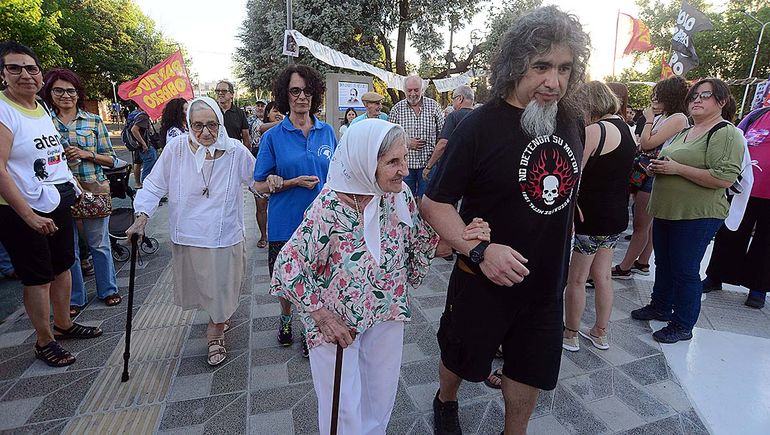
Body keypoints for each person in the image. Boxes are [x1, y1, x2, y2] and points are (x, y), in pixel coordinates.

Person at [420, 7, 590, 434]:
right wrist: (478, 249)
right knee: (459, 356)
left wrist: (568, 203)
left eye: (565, 68)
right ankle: (446, 401)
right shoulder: (478, 126)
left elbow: (562, 177)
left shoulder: (570, 118)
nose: (554, 81)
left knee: (528, 370)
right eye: (542, 67)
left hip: (546, 285)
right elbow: (434, 202)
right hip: (482, 280)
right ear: (516, 65)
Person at [271, 120, 487, 433]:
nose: (404, 170)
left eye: (403, 160)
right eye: (393, 162)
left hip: (386, 313)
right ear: (364, 161)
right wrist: (321, 315)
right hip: (340, 327)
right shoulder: (329, 207)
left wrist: (466, 236)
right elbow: (288, 265)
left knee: (379, 401)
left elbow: (425, 245)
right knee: (343, 410)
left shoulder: (399, 197)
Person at [126, 97, 257, 365]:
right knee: (207, 290)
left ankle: (215, 332)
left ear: (220, 122)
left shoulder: (235, 151)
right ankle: (219, 316)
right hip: (189, 233)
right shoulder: (176, 149)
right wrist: (141, 218)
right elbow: (153, 186)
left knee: (222, 286)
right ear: (188, 124)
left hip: (224, 234)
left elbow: (258, 181)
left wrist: (279, 182)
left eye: (211, 125)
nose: (205, 132)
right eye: (197, 126)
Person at [0, 41, 102, 367]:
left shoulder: (40, 107)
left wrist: (74, 187)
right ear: (3, 74)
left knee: (63, 266)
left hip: (56, 199)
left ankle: (64, 324)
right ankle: (44, 341)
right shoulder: (4, 110)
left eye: (31, 68)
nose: (25, 75)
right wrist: (28, 215)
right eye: (15, 68)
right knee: (38, 276)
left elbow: (53, 156)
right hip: (21, 207)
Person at [631, 78, 744, 343]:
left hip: (697, 215)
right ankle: (660, 305)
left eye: (705, 95)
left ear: (722, 101)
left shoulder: (724, 133)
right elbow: (674, 161)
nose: (697, 100)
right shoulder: (687, 130)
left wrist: (676, 169)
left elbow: (724, 178)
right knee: (666, 263)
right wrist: (657, 168)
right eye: (694, 95)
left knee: (685, 269)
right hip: (669, 210)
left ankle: (682, 324)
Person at [254, 65, 337, 356]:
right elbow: (259, 184)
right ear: (285, 95)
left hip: (324, 225)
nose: (302, 97)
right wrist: (285, 182)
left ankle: (309, 327)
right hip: (286, 223)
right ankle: (287, 317)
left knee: (318, 277)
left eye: (307, 91)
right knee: (288, 280)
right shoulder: (273, 137)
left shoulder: (327, 132)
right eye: (295, 91)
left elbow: (339, 175)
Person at [562, 81, 636, 352]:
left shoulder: (595, 130)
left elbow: (572, 175)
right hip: (616, 215)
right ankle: (600, 332)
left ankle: (570, 333)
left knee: (578, 278)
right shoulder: (627, 130)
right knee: (603, 276)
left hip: (591, 216)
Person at [42, 68, 122, 317]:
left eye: (71, 90)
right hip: (58, 193)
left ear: (78, 94)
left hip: (92, 187)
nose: (65, 95)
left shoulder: (93, 121)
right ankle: (74, 297)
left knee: (99, 243)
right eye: (59, 90)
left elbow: (113, 159)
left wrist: (87, 154)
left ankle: (108, 290)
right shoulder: (43, 122)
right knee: (69, 248)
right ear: (50, 93)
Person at [612, 76, 689, 279]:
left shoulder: (678, 118)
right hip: (649, 172)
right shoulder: (666, 116)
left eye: (658, 97)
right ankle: (643, 262)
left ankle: (625, 267)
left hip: (654, 175)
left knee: (641, 225)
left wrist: (648, 119)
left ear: (670, 97)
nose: (653, 101)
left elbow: (647, 143)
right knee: (648, 224)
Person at [702, 106, 770, 308]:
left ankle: (758, 288)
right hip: (743, 188)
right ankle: (716, 276)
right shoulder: (757, 115)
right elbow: (734, 139)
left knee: (766, 242)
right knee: (730, 232)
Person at [388, 75, 444, 199]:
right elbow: (389, 139)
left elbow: (443, 135)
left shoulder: (434, 106)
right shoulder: (396, 109)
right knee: (405, 201)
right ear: (404, 91)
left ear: (422, 90)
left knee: (427, 202)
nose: (413, 93)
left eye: (416, 90)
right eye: (409, 90)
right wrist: (407, 143)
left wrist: (433, 162)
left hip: (429, 165)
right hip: (404, 166)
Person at [424, 85, 475, 183]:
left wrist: (429, 166)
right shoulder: (482, 117)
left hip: (457, 171)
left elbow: (443, 144)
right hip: (478, 171)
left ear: (460, 99)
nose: (453, 103)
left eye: (453, 99)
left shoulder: (453, 117)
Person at [215, 80, 251, 148]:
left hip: (235, 153)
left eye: (224, 91)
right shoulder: (211, 111)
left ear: (231, 94)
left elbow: (246, 138)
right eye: (217, 91)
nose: (220, 93)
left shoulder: (240, 113)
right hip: (216, 153)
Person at [130, 107, 158, 185]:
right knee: (149, 169)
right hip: (146, 146)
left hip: (140, 146)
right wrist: (144, 143)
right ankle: (147, 189)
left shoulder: (138, 114)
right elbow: (134, 130)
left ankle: (140, 185)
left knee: (141, 164)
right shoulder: (143, 116)